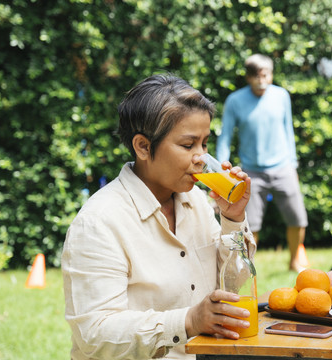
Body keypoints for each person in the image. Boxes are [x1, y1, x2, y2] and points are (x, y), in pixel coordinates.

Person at [62, 74, 257, 360]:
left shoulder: (195, 201)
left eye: (204, 144)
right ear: (142, 146)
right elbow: (95, 335)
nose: (201, 157)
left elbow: (233, 284)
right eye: (188, 145)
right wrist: (188, 321)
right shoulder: (99, 222)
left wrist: (233, 219)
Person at [216, 54, 308, 272]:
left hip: (283, 167)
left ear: (271, 74)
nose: (261, 80)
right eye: (257, 76)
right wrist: (222, 170)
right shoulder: (235, 101)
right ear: (248, 77)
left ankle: (295, 259)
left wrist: (293, 164)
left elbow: (288, 130)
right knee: (251, 224)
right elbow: (225, 136)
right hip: (251, 172)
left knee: (297, 217)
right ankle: (249, 267)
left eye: (266, 75)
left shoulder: (281, 96)